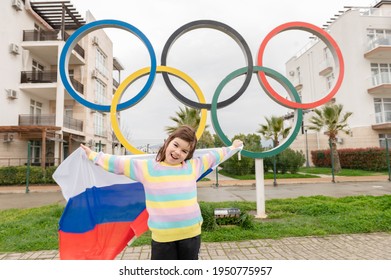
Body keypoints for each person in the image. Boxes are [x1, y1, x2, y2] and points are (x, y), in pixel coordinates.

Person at [81, 125, 243, 260]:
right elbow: (118, 164)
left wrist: (233, 147)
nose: (178, 152)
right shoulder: (147, 168)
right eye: (176, 145)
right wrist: (93, 155)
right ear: (167, 142)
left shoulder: (193, 167)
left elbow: (215, 156)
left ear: (189, 155)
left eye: (185, 151)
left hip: (191, 235)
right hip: (163, 238)